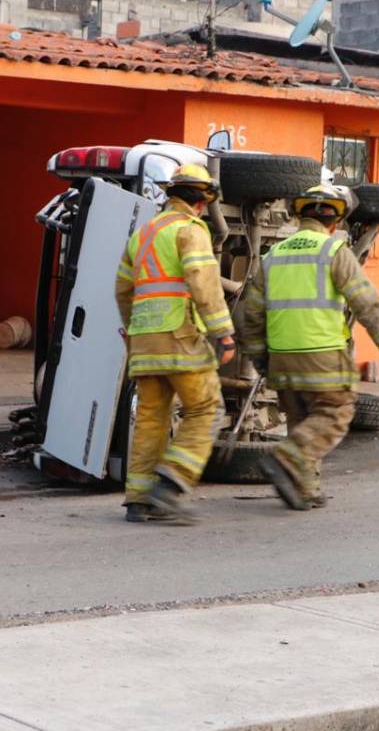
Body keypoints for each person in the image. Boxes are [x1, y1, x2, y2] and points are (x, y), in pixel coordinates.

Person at [240, 183, 379, 510]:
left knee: (301, 421)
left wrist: (261, 359)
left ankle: (305, 489)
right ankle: (286, 458)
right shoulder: (333, 251)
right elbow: (365, 301)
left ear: (300, 216)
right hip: (322, 354)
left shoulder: (273, 256)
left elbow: (251, 315)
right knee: (336, 413)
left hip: (282, 358)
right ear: (335, 220)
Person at [115, 163, 236, 524]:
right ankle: (171, 484)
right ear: (202, 201)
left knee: (151, 419)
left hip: (144, 342)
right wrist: (222, 332)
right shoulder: (190, 229)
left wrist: (135, 333)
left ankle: (139, 500)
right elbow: (203, 282)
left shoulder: (143, 234)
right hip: (179, 336)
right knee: (207, 408)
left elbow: (122, 290)